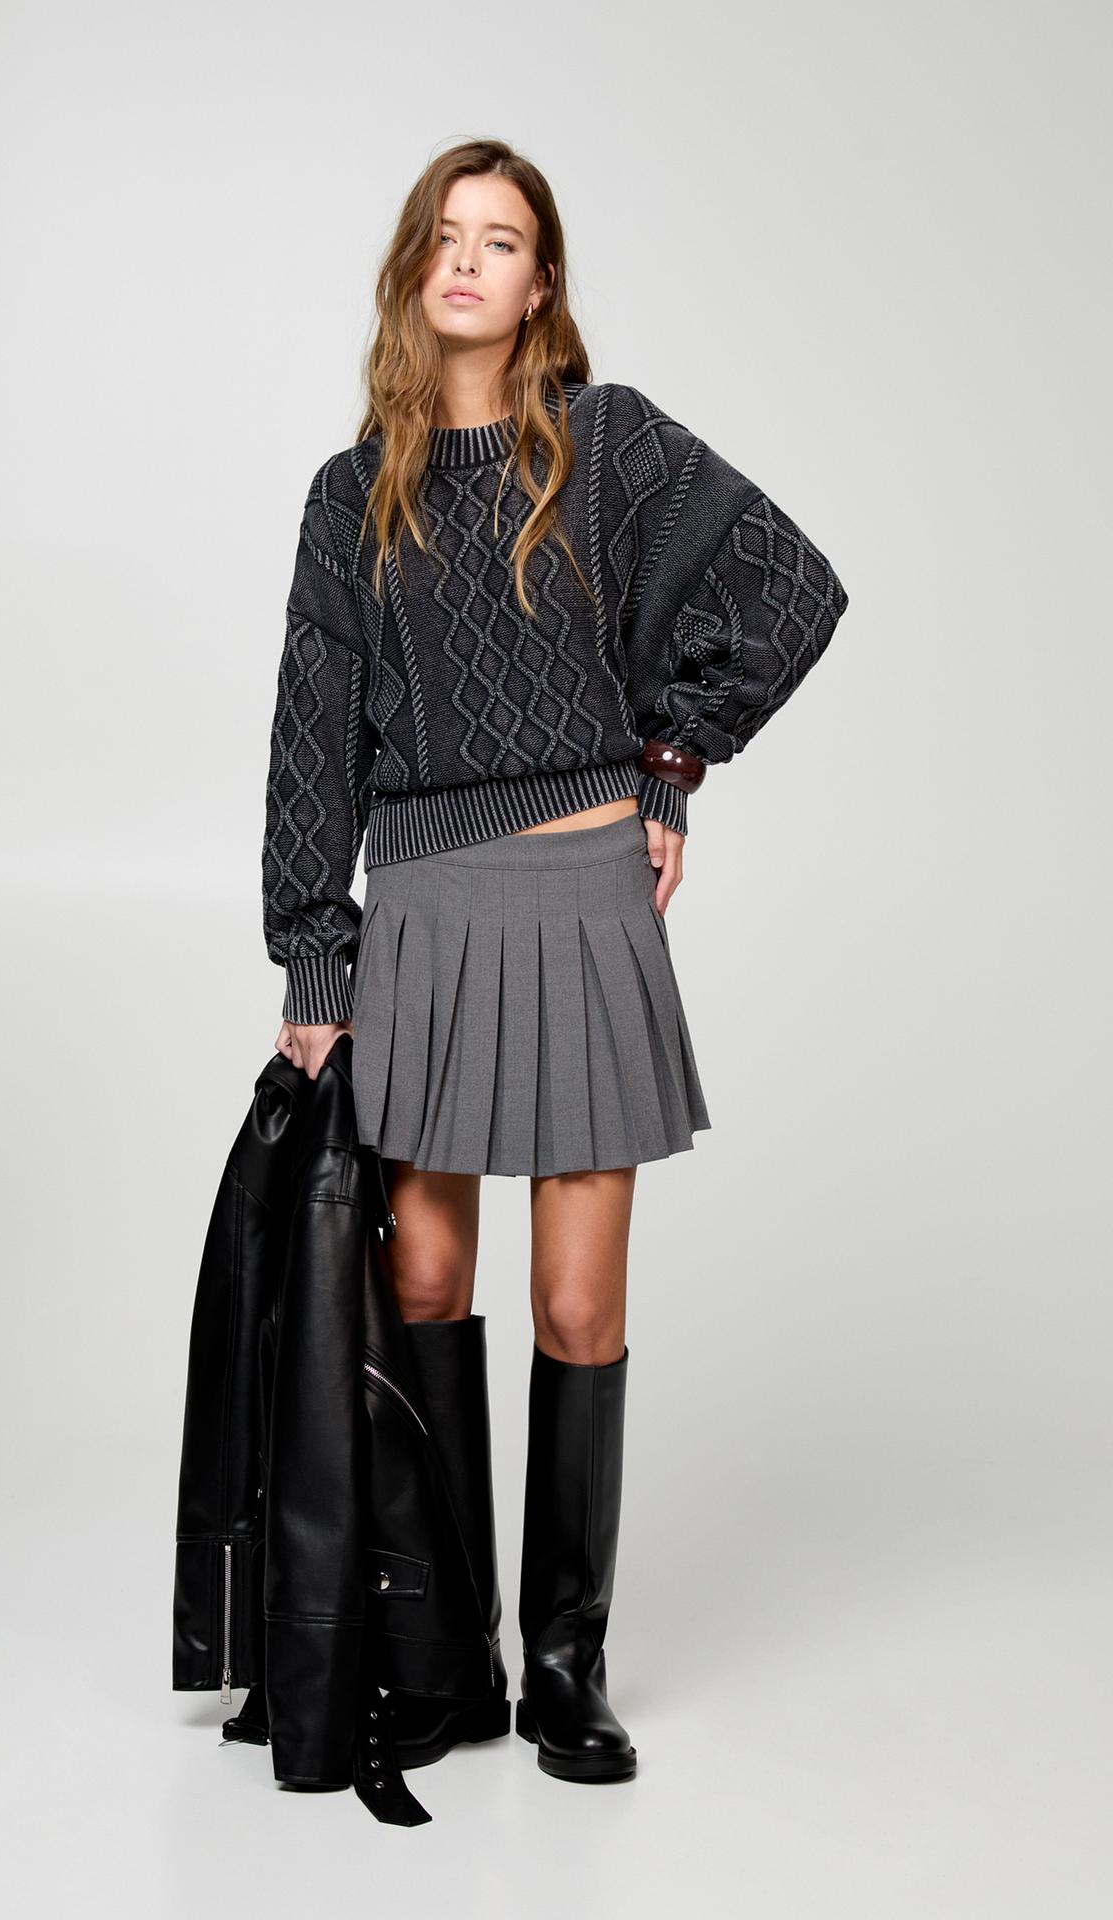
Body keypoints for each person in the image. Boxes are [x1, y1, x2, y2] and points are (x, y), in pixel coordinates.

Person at [257, 138, 850, 1784]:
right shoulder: (349, 494)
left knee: (578, 1303)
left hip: (586, 895)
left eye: (501, 239)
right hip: (425, 908)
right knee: (423, 1286)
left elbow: (790, 585)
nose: (468, 260)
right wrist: (315, 958)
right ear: (414, 269)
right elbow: (310, 737)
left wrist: (675, 759)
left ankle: (570, 1667)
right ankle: (452, 1656)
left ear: (542, 284)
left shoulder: (610, 445)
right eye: (445, 236)